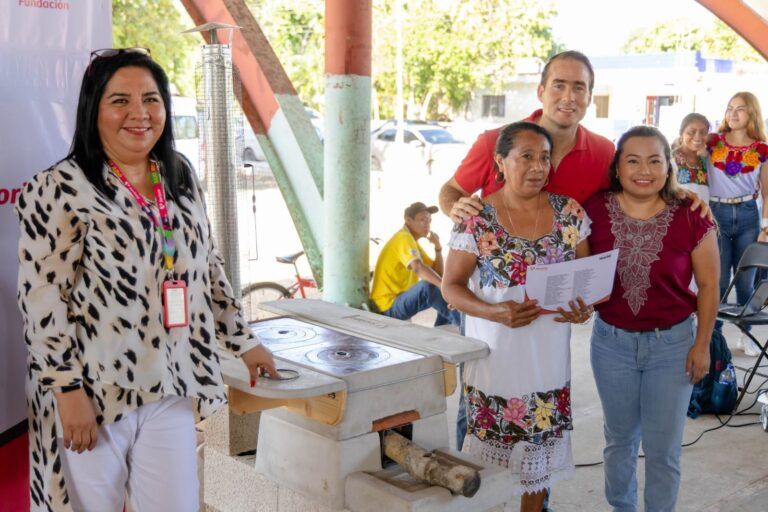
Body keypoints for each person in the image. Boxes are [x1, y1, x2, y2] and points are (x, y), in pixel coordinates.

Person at [15, 48, 278, 512]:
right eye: (120, 100)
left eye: (151, 99)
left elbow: (207, 265)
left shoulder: (177, 173)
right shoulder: (58, 186)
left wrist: (243, 340)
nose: (139, 113)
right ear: (93, 109)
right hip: (93, 391)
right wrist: (67, 391)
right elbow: (42, 299)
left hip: (169, 383)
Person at [442, 122, 593, 512]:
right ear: (500, 162)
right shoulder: (476, 218)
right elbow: (451, 287)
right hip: (496, 365)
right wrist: (495, 311)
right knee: (489, 470)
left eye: (544, 157)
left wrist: (584, 309)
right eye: (526, 156)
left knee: (537, 465)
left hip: (548, 365)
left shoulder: (570, 214)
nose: (538, 167)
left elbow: (585, 282)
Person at [584, 126, 719, 512]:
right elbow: (579, 272)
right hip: (611, 346)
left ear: (668, 166)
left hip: (673, 347)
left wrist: (702, 345)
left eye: (654, 161)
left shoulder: (692, 215)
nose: (644, 170)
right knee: (619, 441)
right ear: (617, 168)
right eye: (633, 161)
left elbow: (709, 285)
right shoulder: (593, 210)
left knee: (663, 449)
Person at [439, 50, 615, 224]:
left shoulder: (604, 152)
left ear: (589, 98)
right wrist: (455, 207)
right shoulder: (493, 142)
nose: (568, 97)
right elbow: (452, 189)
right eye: (559, 86)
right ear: (540, 92)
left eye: (579, 88)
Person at [706, 92, 768, 356]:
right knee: (718, 280)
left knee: (745, 281)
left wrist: (766, 227)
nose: (733, 113)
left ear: (752, 113)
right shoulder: (712, 142)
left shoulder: (761, 149)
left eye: (740, 108)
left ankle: (746, 334)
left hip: (748, 215)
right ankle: (714, 337)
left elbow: (767, 191)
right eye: (730, 107)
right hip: (716, 213)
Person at [371, 202, 460, 326]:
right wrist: (445, 288)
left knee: (440, 287)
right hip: (387, 306)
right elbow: (418, 267)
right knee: (430, 287)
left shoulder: (413, 242)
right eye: (422, 220)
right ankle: (463, 325)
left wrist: (438, 248)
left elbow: (437, 273)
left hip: (399, 301)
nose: (427, 224)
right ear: (408, 220)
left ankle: (445, 328)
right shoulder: (403, 237)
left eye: (429, 221)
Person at [672, 113, 711, 202]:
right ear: (681, 133)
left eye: (703, 132)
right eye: (691, 132)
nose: (698, 137)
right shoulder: (671, 160)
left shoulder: (705, 162)